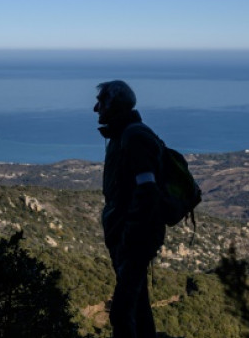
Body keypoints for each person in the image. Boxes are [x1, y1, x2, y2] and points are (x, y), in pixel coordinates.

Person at [94, 80, 166, 338]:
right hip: (127, 238)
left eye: (101, 102)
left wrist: (129, 237)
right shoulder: (123, 136)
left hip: (134, 240)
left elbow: (147, 191)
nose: (96, 109)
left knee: (122, 312)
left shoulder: (133, 137)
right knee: (138, 307)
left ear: (114, 105)